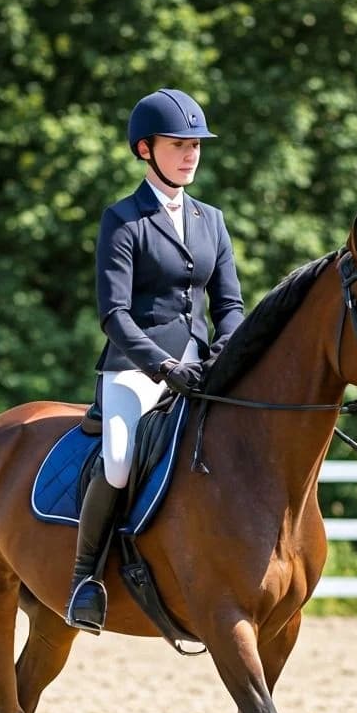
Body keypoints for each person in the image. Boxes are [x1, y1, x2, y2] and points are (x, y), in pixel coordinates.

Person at [65, 88, 246, 634]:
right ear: (145, 149)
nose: (191, 155)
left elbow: (230, 306)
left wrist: (220, 354)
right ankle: (84, 580)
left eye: (196, 145)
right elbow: (114, 314)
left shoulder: (211, 219)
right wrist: (165, 367)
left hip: (201, 366)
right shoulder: (123, 220)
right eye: (178, 145)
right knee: (119, 460)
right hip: (134, 368)